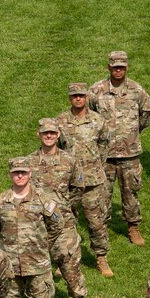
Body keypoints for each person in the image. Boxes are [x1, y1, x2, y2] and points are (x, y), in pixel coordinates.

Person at [0, 157, 65, 298]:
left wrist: (43, 244)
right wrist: (6, 244)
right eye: (16, 173)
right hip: (11, 266)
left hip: (38, 264)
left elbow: (57, 224)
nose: (19, 176)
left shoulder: (42, 199)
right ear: (10, 175)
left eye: (23, 172)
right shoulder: (1, 200)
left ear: (30, 174)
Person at [89, 51, 150, 247]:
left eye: (122, 67)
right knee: (102, 194)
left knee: (131, 192)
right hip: (105, 156)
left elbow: (147, 112)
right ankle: (102, 228)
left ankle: (133, 227)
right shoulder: (96, 90)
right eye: (115, 66)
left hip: (129, 153)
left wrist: (133, 132)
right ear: (109, 67)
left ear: (126, 68)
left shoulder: (136, 90)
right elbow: (90, 118)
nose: (118, 70)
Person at [27, 117, 93, 288]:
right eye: (45, 133)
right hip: (37, 223)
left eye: (52, 133)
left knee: (70, 264)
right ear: (38, 134)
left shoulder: (69, 160)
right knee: (35, 265)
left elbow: (78, 188)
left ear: (58, 135)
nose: (48, 136)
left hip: (64, 222)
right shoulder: (28, 162)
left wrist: (64, 205)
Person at [56, 83, 112, 277]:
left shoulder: (98, 120)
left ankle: (101, 257)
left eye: (81, 95)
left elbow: (104, 143)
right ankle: (63, 258)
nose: (78, 98)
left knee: (96, 221)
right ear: (69, 98)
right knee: (64, 221)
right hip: (68, 181)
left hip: (92, 180)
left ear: (86, 97)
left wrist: (97, 164)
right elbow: (55, 148)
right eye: (74, 96)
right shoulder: (60, 121)